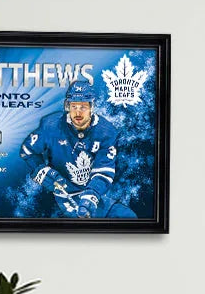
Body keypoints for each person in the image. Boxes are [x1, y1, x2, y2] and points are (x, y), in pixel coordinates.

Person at [19, 80, 135, 218]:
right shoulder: (51, 126)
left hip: (93, 192)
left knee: (127, 216)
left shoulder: (106, 132)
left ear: (92, 107)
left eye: (83, 107)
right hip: (62, 194)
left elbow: (103, 172)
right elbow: (27, 150)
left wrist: (91, 196)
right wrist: (40, 170)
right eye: (74, 106)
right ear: (68, 106)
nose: (78, 112)